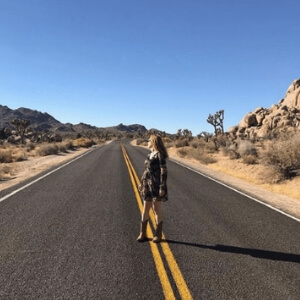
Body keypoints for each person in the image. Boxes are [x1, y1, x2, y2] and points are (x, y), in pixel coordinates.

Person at [137, 134, 168, 243]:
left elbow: (163, 172)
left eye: (149, 140)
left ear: (154, 141)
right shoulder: (150, 154)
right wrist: (142, 182)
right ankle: (143, 233)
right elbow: (146, 170)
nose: (147, 141)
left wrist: (162, 187)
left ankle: (158, 234)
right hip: (147, 184)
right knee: (145, 208)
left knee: (156, 209)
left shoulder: (160, 155)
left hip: (156, 185)